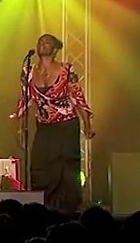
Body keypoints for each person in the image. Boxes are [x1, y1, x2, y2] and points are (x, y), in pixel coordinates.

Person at [12, 33, 94, 213]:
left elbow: (77, 97)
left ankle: (69, 211)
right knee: (40, 167)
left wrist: (87, 124)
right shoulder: (28, 71)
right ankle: (43, 210)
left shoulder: (66, 70)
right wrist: (19, 129)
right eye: (40, 41)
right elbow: (24, 100)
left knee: (66, 171)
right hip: (44, 126)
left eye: (47, 42)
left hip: (66, 125)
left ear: (55, 49)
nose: (42, 44)